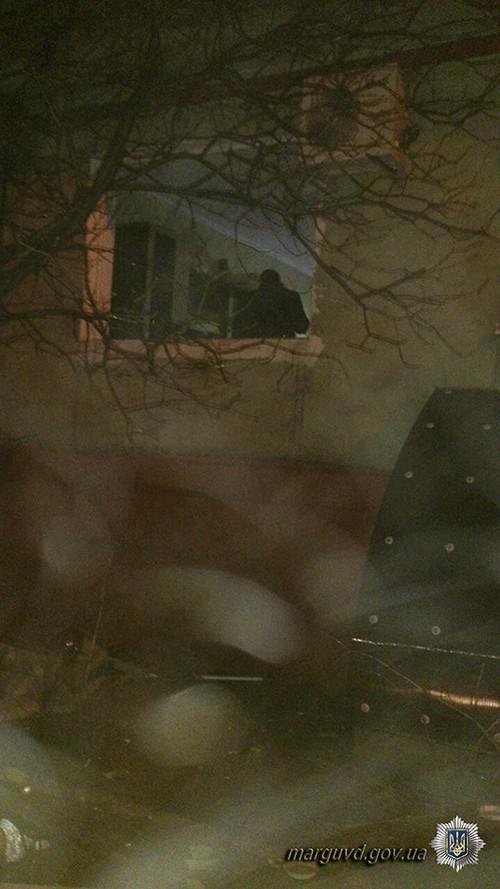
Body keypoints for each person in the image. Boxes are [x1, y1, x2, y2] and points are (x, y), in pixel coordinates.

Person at [232, 269, 309, 338]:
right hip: (282, 343)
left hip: (254, 344)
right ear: (279, 281)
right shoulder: (291, 296)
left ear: (260, 281)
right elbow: (302, 327)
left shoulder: (250, 297)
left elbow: (238, 327)